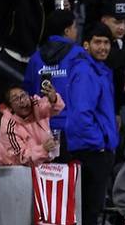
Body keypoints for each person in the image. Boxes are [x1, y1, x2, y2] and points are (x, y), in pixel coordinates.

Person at [67, 23, 119, 225]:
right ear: (86, 45)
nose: (103, 47)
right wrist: (99, 142)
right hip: (91, 151)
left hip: (97, 148)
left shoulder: (98, 71)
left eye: (106, 42)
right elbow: (81, 114)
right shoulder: (86, 71)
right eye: (97, 42)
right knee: (90, 210)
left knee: (93, 209)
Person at [23, 10, 84, 159]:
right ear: (67, 30)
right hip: (72, 129)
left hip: (41, 131)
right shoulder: (78, 54)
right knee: (71, 172)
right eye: (75, 27)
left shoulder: (35, 58)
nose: (76, 31)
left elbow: (27, 92)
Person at [0, 83, 64, 166]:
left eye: (23, 95)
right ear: (10, 107)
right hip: (10, 166)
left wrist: (54, 99)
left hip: (39, 161)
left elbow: (54, 108)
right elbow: (21, 158)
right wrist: (43, 149)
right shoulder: (8, 126)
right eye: (16, 99)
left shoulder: (36, 104)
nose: (22, 101)